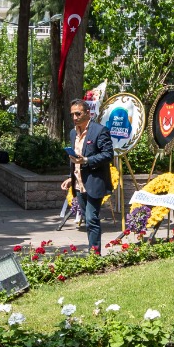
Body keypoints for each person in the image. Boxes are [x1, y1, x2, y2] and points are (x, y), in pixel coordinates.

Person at [69, 98, 112, 254]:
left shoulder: (100, 131)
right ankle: (92, 251)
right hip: (79, 184)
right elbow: (74, 159)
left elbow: (108, 154)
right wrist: (70, 178)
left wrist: (87, 160)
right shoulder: (73, 132)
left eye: (78, 114)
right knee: (87, 220)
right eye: (72, 115)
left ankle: (94, 255)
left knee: (91, 218)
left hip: (94, 182)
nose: (75, 117)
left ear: (88, 113)